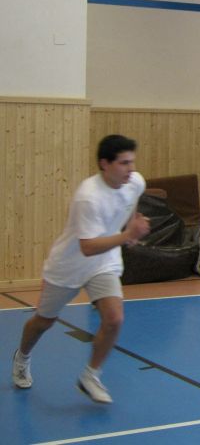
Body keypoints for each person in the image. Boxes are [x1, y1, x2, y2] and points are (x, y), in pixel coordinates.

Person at [11, 135, 151, 404]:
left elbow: (131, 201)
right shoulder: (88, 197)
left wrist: (131, 224)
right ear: (105, 164)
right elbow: (88, 247)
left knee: (114, 319)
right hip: (69, 265)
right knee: (44, 322)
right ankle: (22, 357)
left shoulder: (135, 182)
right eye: (124, 163)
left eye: (132, 162)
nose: (131, 169)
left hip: (105, 263)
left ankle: (91, 376)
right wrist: (127, 235)